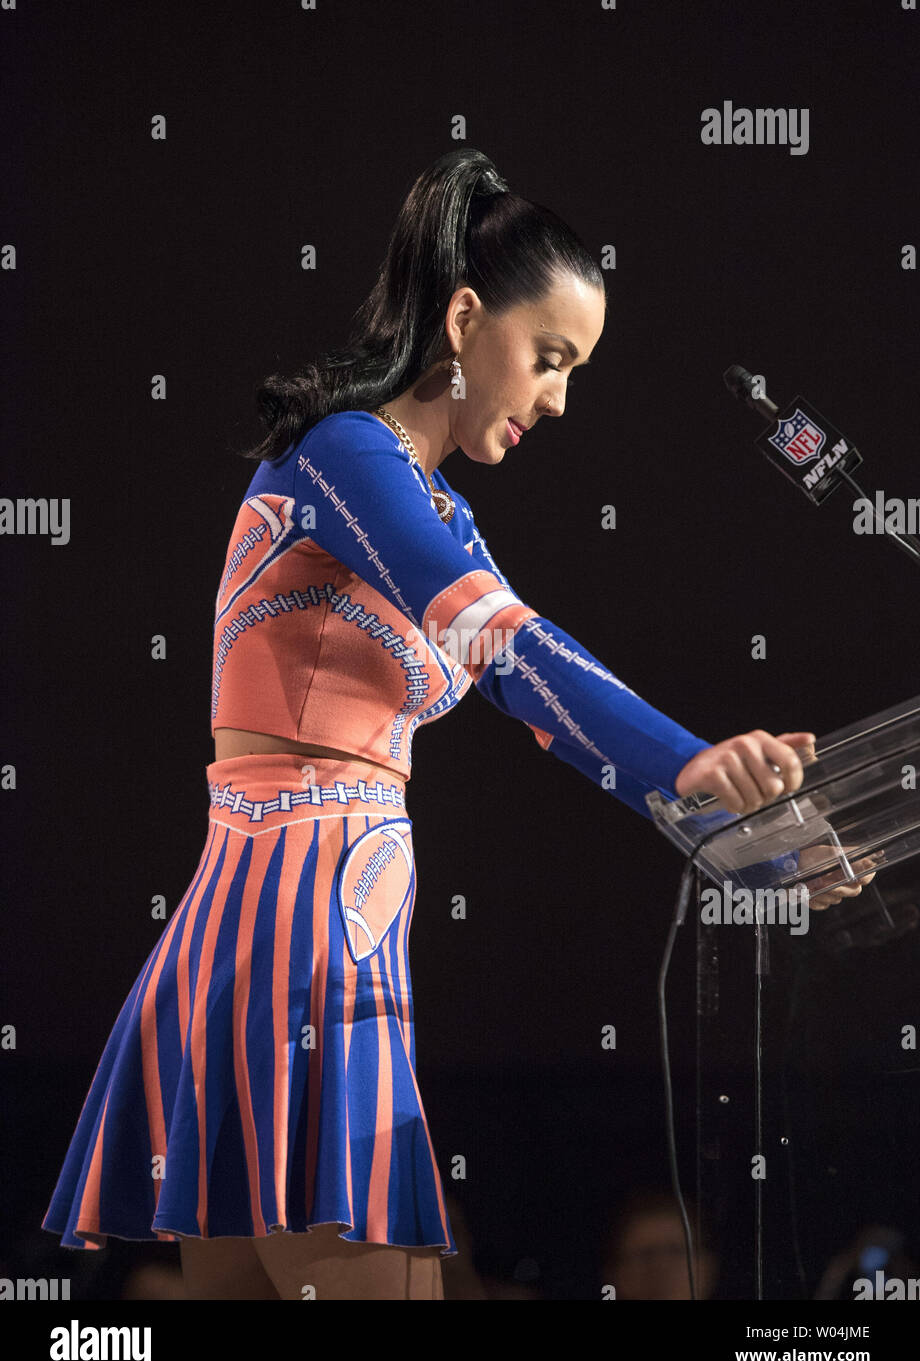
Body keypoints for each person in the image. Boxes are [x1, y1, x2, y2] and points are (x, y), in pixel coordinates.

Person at [40, 148, 874, 1301]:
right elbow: (504, 647)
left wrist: (758, 845)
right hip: (306, 926)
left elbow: (553, 714)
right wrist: (694, 753)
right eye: (547, 358)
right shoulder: (343, 453)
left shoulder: (435, 507)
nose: (557, 398)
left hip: (275, 917)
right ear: (465, 316)